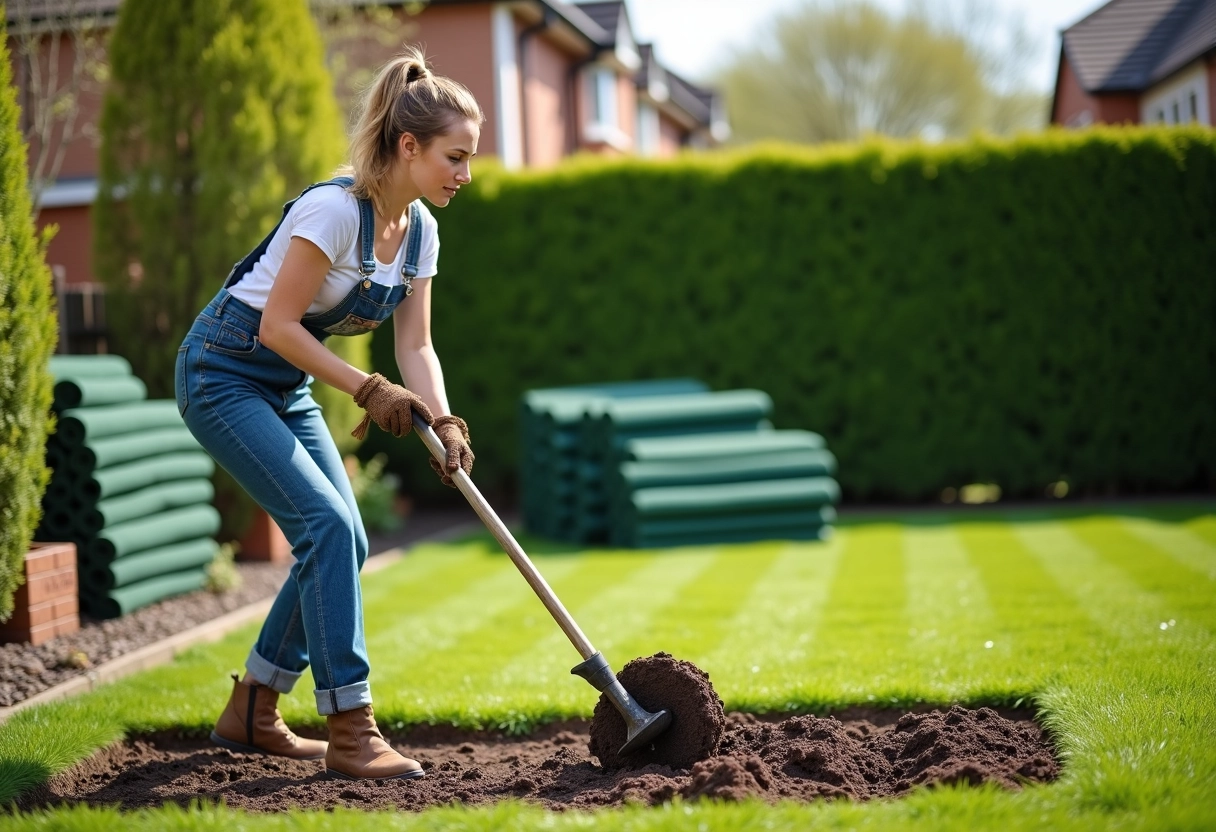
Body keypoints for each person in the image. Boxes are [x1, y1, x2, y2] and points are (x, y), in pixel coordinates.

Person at [174, 47, 481, 781]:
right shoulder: (333, 211)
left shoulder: (421, 235)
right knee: (328, 526)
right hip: (223, 373)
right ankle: (352, 729)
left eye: (470, 158)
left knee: (346, 542)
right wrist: (368, 390)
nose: (466, 175)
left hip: (285, 386)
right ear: (408, 146)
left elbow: (418, 345)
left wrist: (442, 420)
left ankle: (252, 708)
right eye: (455, 156)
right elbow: (278, 326)